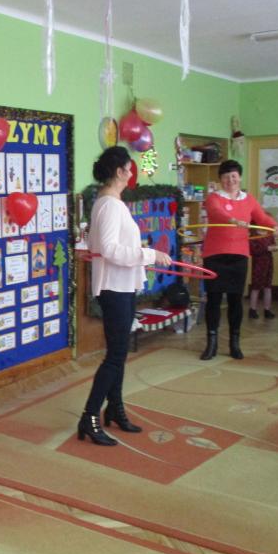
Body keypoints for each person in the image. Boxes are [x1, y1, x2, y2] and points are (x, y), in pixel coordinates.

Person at [79, 146, 172, 446]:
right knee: (115, 356)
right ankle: (89, 416)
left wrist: (143, 255)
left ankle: (115, 408)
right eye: (129, 169)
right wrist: (150, 254)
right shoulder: (109, 204)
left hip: (123, 287)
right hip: (114, 289)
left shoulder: (112, 202)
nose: (132, 174)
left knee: (118, 355)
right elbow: (109, 250)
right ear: (119, 171)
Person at [200, 160, 278, 360]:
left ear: (240, 177)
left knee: (235, 300)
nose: (230, 180)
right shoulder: (213, 198)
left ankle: (235, 343)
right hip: (214, 255)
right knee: (214, 299)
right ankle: (211, 343)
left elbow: (262, 217)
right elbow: (216, 212)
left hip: (239, 255)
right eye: (226, 177)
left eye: (233, 176)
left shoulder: (248, 199)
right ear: (220, 179)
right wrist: (233, 220)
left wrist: (274, 225)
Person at [248, 233, 278, 319]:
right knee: (256, 286)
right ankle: (252, 310)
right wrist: (267, 248)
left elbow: (273, 245)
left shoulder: (269, 234)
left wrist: (274, 248)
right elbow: (252, 251)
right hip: (258, 264)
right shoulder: (253, 235)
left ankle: (267, 310)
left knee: (268, 286)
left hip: (269, 262)